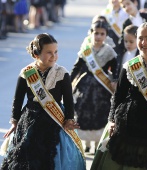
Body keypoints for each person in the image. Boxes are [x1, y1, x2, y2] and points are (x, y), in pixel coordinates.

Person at [91, 21, 147, 170]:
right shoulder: (129, 67)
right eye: (140, 38)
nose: (143, 42)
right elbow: (118, 96)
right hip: (129, 122)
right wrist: (112, 120)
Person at [0, 33, 86, 170]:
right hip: (30, 120)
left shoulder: (62, 73)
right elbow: (18, 99)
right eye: (49, 53)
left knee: (54, 156)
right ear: (36, 54)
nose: (54, 56)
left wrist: (69, 119)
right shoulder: (26, 73)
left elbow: (69, 100)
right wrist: (15, 121)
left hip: (54, 120)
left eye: (56, 52)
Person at [71, 21, 118, 154]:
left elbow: (115, 69)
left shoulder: (109, 52)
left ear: (106, 35)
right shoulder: (86, 50)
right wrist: (68, 81)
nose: (98, 36)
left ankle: (96, 143)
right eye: (96, 33)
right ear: (91, 33)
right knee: (82, 112)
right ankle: (84, 143)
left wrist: (114, 80)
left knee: (99, 113)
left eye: (102, 34)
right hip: (84, 87)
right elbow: (77, 67)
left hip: (102, 89)